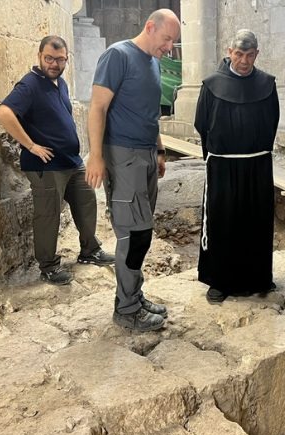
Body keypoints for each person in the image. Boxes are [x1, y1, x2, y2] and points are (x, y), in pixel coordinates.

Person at [85, 9, 180, 331]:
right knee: (132, 234)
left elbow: (150, 116)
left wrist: (160, 150)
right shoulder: (118, 56)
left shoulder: (153, 62)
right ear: (150, 27)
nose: (169, 47)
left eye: (173, 42)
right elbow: (97, 107)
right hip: (122, 155)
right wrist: (95, 156)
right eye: (167, 39)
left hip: (146, 156)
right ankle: (126, 309)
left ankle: (134, 296)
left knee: (143, 231)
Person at [0, 35, 115, 286]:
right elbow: (4, 112)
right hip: (45, 166)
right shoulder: (29, 85)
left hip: (71, 161)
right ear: (39, 56)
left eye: (60, 59)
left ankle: (89, 251)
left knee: (86, 202)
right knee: (47, 216)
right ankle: (48, 267)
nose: (54, 64)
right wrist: (30, 145)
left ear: (66, 60)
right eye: (49, 58)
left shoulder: (60, 83)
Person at [193, 30, 280, 304]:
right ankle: (219, 281)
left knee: (256, 221)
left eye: (250, 55)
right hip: (223, 166)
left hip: (257, 165)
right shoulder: (211, 85)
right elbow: (202, 124)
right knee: (223, 221)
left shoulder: (267, 83)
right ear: (230, 52)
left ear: (257, 54)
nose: (244, 60)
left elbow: (272, 121)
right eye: (239, 54)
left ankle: (258, 278)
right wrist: (218, 155)